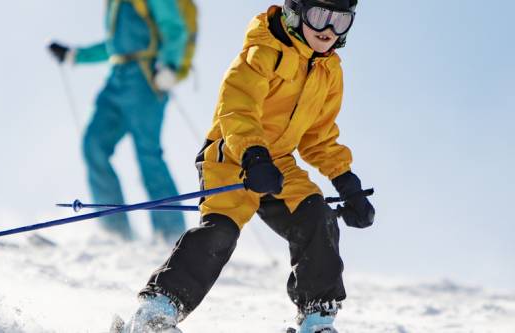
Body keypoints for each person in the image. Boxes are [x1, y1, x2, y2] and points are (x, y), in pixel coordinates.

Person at [117, 1, 372, 332]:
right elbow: (237, 109)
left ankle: (317, 320)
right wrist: (253, 156)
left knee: (317, 216)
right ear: (296, 13)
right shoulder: (261, 52)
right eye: (320, 17)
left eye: (341, 21)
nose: (329, 30)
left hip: (278, 164)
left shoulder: (329, 71)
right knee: (221, 231)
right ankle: (157, 310)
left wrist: (347, 183)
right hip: (233, 156)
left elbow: (319, 137)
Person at [48, 0, 191, 242]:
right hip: (117, 79)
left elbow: (174, 28)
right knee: (93, 145)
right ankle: (115, 231)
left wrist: (169, 64)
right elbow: (115, 46)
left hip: (145, 78)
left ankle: (171, 233)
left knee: (148, 155)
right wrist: (77, 56)